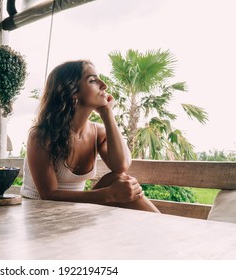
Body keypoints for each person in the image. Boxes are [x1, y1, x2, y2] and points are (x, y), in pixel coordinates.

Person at [20, 60, 160, 213]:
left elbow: (121, 165)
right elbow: (48, 194)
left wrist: (107, 114)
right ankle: (167, 231)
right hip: (40, 214)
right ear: (72, 91)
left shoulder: (98, 132)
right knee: (117, 184)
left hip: (74, 212)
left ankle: (165, 230)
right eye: (92, 80)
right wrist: (108, 195)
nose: (104, 85)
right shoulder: (41, 135)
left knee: (120, 179)